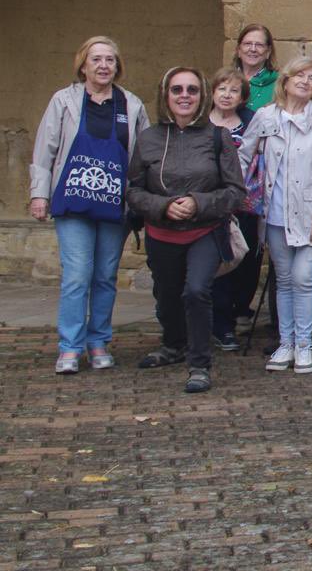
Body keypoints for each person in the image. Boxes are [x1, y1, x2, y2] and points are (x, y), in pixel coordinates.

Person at [30, 36, 149, 374]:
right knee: (77, 275)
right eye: (96, 59)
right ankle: (69, 346)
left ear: (118, 66)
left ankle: (98, 341)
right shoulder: (63, 100)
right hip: (72, 202)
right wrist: (39, 194)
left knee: (105, 276)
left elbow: (143, 156)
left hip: (115, 204)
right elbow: (45, 149)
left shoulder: (132, 104)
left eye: (110, 59)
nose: (103, 65)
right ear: (83, 65)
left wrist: (141, 198)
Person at [126, 67, 246, 394]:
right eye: (177, 89)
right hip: (161, 231)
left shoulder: (217, 137)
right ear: (165, 95)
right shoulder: (149, 138)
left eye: (191, 90)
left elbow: (236, 191)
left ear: (201, 95)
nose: (184, 96)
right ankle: (173, 344)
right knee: (167, 295)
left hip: (204, 230)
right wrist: (163, 206)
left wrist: (197, 202)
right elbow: (134, 190)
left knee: (196, 291)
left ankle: (199, 363)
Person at [238, 57, 312, 375]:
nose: (305, 81)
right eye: (299, 75)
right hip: (275, 213)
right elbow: (244, 153)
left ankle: (305, 345)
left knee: (304, 279)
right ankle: (286, 343)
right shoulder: (267, 117)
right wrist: (244, 191)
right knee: (283, 280)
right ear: (284, 81)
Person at [206, 67, 255, 352]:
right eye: (222, 89)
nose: (226, 95)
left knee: (244, 263)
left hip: (244, 205)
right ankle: (220, 325)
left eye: (233, 90)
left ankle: (236, 314)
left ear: (242, 97)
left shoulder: (251, 122)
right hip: (211, 205)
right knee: (218, 266)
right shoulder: (201, 123)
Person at [234, 24, 279, 111]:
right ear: (239, 49)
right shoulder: (224, 80)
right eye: (248, 44)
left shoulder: (280, 84)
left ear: (268, 52)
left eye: (259, 45)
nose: (253, 49)